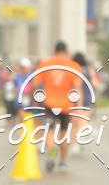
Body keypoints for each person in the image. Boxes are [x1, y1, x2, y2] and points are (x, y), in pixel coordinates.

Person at [32, 41, 82, 173]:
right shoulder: (74, 66)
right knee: (64, 134)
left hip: (49, 104)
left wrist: (35, 100)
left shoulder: (45, 64)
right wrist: (79, 106)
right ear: (66, 51)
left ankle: (51, 147)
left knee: (49, 131)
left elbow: (35, 84)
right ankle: (63, 162)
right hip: (66, 106)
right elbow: (77, 87)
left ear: (54, 50)